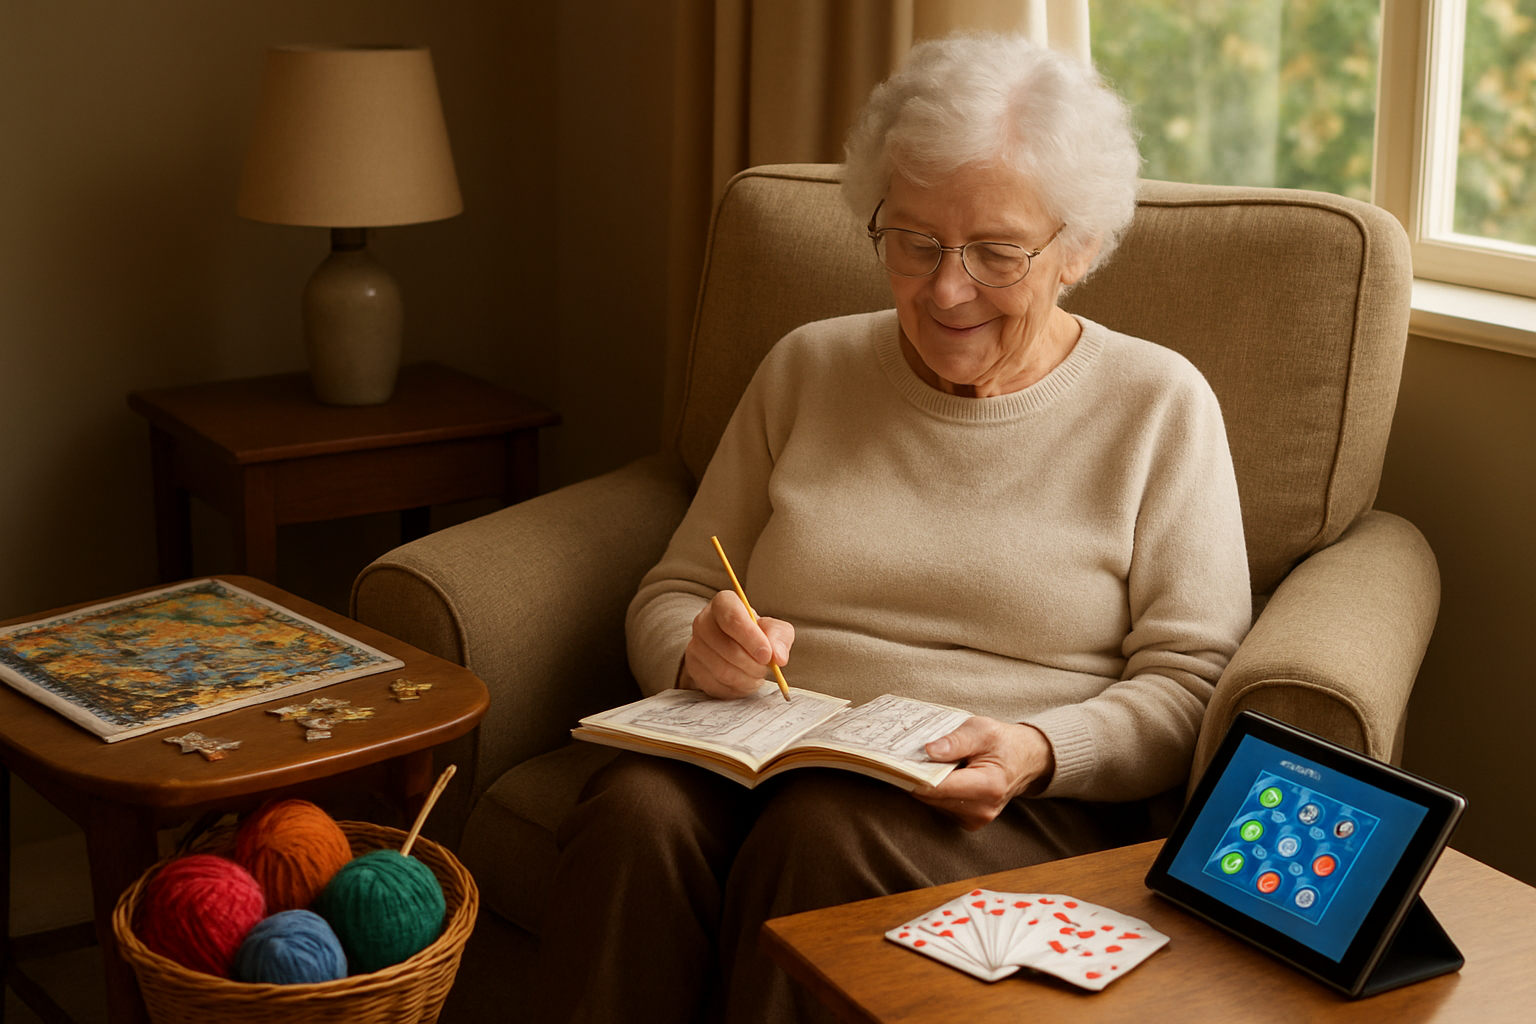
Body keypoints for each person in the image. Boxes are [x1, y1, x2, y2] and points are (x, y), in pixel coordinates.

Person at [534, 32, 1251, 1023]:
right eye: (914, 241)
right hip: (767, 750)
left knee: (822, 830)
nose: (946, 288)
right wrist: (696, 653)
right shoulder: (807, 368)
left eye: (995, 252)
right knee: (633, 813)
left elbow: (1193, 686)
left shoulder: (1158, 406)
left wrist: (1040, 747)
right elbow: (674, 589)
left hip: (1012, 803)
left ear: (1076, 249)